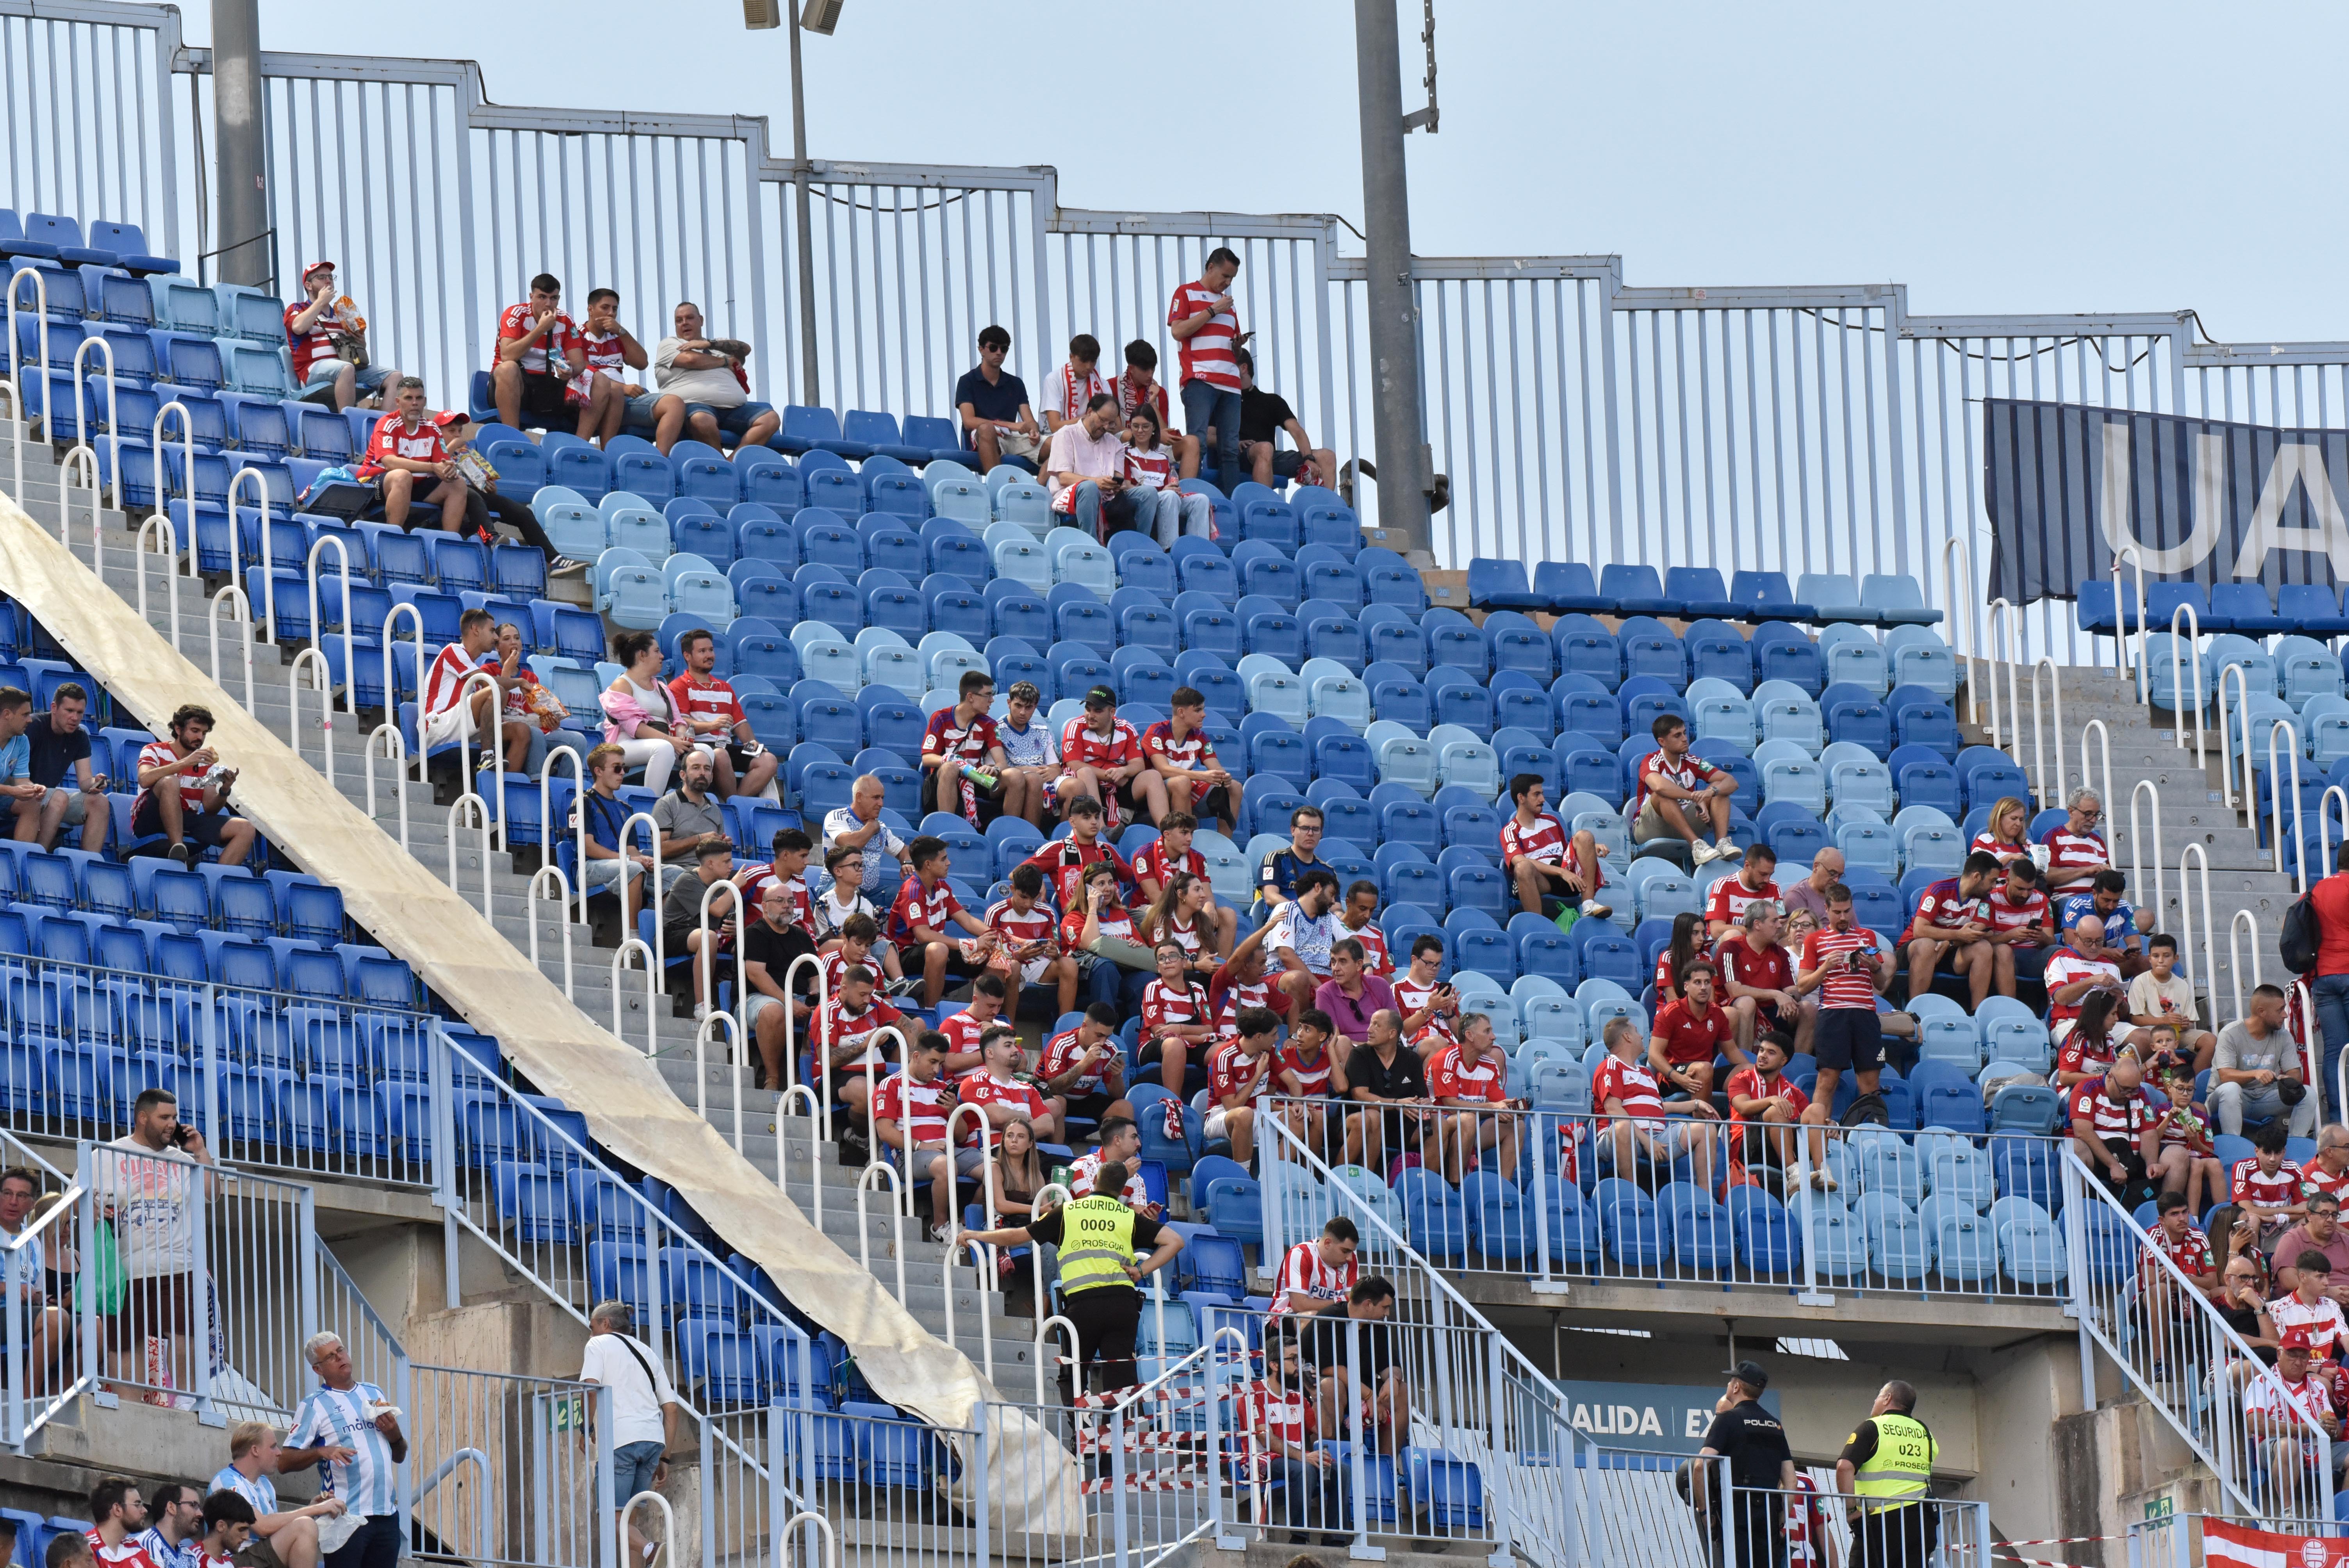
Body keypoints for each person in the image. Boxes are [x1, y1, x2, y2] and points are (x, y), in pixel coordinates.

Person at [959, 1159, 1183, 1404]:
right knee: (1122, 1380)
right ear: (1121, 1191)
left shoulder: (1069, 1212)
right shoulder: (1129, 1217)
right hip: (1122, 1305)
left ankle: (1080, 1433)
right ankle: (1117, 1438)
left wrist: (976, 1234)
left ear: (1095, 1181)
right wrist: (1141, 1270)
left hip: (1082, 1307)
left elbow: (1018, 1235)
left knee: (1072, 1375)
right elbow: (1175, 1241)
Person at [87, 1086, 214, 1399]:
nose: (172, 1124)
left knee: (185, 1336)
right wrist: (93, 1211)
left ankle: (188, 1403)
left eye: (174, 1117)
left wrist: (200, 1151)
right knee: (126, 1344)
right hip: (126, 1268)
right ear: (143, 1118)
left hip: (177, 1264)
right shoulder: (106, 1155)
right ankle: (130, 1410)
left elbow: (212, 1194)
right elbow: (76, 1202)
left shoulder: (185, 1159)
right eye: (164, 1117)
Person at [280, 1332, 407, 1568]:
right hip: (345, 1518)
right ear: (318, 1370)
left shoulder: (374, 1393)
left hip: (387, 1515)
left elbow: (400, 1455)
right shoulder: (313, 1405)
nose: (340, 1358)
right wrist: (322, 1452)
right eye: (330, 1357)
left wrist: (395, 1435)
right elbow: (284, 1462)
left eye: (341, 1350)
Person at [578, 1300, 681, 1561]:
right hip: (652, 1442)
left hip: (620, 1441)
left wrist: (586, 1427)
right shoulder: (648, 1352)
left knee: (612, 1520)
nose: (591, 1334)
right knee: (630, 1520)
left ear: (606, 1324)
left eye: (592, 1327)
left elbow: (590, 1389)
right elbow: (671, 1409)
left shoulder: (597, 1345)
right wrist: (665, 1457)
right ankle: (646, 1555)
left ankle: (651, 1549)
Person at [1241, 1332, 1348, 1542]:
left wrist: (1316, 1394)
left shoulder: (1299, 1398)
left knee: (1342, 1471)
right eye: (1294, 1360)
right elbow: (1267, 1441)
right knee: (1306, 1467)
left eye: (1302, 1360)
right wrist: (1304, 1457)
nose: (1301, 1366)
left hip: (1297, 1461)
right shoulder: (1254, 1395)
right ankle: (1300, 1538)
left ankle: (1335, 1540)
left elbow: (1326, 1432)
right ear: (1275, 1365)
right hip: (1263, 1461)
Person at [1795, 886, 1892, 1117]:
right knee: (1828, 1078)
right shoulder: (1814, 940)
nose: (1843, 917)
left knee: (1870, 1083)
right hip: (1833, 1014)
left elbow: (1881, 983)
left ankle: (1868, 1136)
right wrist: (1826, 967)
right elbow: (1802, 986)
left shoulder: (1866, 936)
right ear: (1826, 909)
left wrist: (1876, 967)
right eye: (1837, 912)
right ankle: (1819, 1135)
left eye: (1847, 911)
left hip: (1865, 1014)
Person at [1594, 1014, 1718, 1191]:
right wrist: (1646, 1141)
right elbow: (1614, 1110)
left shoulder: (1645, 1072)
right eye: (1636, 1032)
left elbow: (1658, 1107)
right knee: (1623, 1128)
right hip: (1622, 1137)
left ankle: (1705, 1197)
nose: (1642, 1036)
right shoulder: (1611, 1066)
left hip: (1656, 1137)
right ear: (1627, 1037)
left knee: (1706, 1129)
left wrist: (1696, 1104)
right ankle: (1632, 1195)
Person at [1695, 1360, 1798, 1568]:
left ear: (1736, 1387)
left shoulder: (1728, 1419)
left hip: (1737, 1515)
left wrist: (1706, 1514)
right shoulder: (1775, 1425)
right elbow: (1792, 1481)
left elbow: (1699, 1467)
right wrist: (1781, 1519)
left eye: (1730, 1381)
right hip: (1768, 1514)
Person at [872, 1033, 970, 1242]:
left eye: (941, 1064)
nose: (937, 1070)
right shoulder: (891, 1085)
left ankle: (963, 1223)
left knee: (995, 1168)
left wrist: (954, 1110)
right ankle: (939, 1227)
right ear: (916, 1056)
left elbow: (962, 1136)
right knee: (946, 1166)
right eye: (932, 1062)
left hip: (948, 1149)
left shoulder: (943, 1088)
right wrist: (922, 1146)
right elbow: (884, 1131)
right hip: (909, 1155)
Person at [1296, 1277, 1408, 1458]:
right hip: (1316, 1387)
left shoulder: (1377, 1325)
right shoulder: (1328, 1320)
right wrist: (1370, 1396)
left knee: (1402, 1391)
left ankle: (1387, 1466)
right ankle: (1324, 1461)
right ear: (1368, 1304)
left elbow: (1391, 1366)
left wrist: (1393, 1381)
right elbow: (1333, 1370)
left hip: (1359, 1388)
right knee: (1331, 1386)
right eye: (1385, 1307)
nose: (1387, 1313)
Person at [1834, 1380, 1938, 1568]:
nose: (1875, 1400)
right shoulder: (1925, 1432)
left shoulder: (1872, 1427)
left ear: (1888, 1398)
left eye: (1879, 1395)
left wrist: (1851, 1510)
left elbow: (1844, 1467)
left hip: (1882, 1522)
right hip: (1922, 1522)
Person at [1168, 248, 1248, 490]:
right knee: (1198, 442)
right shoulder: (1187, 292)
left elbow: (1235, 352)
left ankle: (1230, 505)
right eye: (1225, 275)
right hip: (1200, 380)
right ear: (1211, 267)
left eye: (1232, 278)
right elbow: (1178, 331)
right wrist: (1213, 311)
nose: (1228, 282)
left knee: (1230, 450)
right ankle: (1194, 495)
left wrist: (1237, 346)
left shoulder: (1229, 306)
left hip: (1231, 384)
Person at [888, 835, 997, 1009]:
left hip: (936, 951)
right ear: (928, 865)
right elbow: (923, 935)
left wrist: (994, 936)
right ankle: (931, 1011)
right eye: (944, 859)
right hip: (906, 955)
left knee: (995, 955)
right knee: (939, 949)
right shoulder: (912, 890)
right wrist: (970, 944)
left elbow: (967, 920)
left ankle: (982, 1013)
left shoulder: (942, 887)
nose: (949, 863)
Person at [652, 301, 779, 450]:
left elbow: (746, 349)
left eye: (690, 318)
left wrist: (709, 344)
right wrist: (726, 361)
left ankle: (732, 464)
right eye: (679, 321)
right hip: (694, 406)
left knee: (771, 419)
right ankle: (722, 467)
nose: (684, 323)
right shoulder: (670, 344)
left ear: (701, 320)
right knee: (701, 421)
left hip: (734, 409)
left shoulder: (718, 345)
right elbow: (691, 360)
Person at [668, 629, 778, 800]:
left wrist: (753, 745)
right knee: (720, 754)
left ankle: (736, 803)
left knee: (768, 759)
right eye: (702, 651)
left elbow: (741, 725)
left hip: (726, 747)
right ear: (687, 656)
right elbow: (682, 724)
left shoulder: (725, 688)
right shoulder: (679, 686)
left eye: (711, 650)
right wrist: (713, 726)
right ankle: (733, 805)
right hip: (698, 747)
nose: (709, 655)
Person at [211, 1422, 339, 1568]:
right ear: (255, 1450)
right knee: (305, 1526)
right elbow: (263, 1527)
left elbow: (275, 1530)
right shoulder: (227, 1481)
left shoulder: (265, 1484)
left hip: (258, 1556)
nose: (279, 1453)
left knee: (304, 1526)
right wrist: (316, 1510)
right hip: (230, 1560)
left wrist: (311, 1508)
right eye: (273, 1447)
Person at [2243, 1327, 2346, 1504]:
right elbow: (2255, 1425)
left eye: (2303, 1356)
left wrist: (2334, 1428)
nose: (2298, 1362)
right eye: (2292, 1355)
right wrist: (2302, 1431)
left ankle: (2342, 1509)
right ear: (2279, 1354)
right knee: (2288, 1446)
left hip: (2316, 1445)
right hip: (2273, 1445)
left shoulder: (2318, 1387)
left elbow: (2335, 1433)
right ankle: (2289, 1513)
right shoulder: (2261, 1382)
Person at [576, 287, 678, 449]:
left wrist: (622, 332)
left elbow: (642, 363)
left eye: (614, 309)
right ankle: (605, 453)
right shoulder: (578, 334)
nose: (611, 313)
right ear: (591, 309)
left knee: (675, 404)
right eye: (605, 308)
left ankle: (659, 461)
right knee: (615, 392)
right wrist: (622, 388)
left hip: (624, 398)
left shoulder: (617, 336)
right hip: (593, 397)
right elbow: (583, 371)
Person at [742, 877, 818, 1093]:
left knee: (827, 1012)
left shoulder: (801, 936)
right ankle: (773, 1078)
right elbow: (756, 975)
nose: (787, 906)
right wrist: (790, 1002)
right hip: (756, 998)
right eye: (780, 901)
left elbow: (815, 974)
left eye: (791, 901)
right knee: (775, 1011)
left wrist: (815, 993)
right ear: (765, 907)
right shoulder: (755, 933)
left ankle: (806, 1074)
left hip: (798, 998)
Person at [923, 671, 1029, 826]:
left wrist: (994, 769)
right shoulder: (940, 717)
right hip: (946, 777)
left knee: (1015, 776)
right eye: (988, 695)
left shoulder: (990, 724)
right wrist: (951, 760)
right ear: (971, 697)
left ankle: (1008, 830)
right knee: (950, 768)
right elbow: (927, 758)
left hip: (976, 777)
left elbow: (1002, 764)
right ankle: (946, 827)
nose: (992, 700)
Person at [2212, 984, 2319, 1137]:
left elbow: (2296, 1076)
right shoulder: (2230, 1034)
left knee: (2308, 1094)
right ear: (2261, 1012)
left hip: (2265, 1099)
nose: (2285, 1015)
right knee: (2231, 1090)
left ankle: (2296, 1144)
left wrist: (2285, 1080)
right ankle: (2233, 1145)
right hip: (2231, 1099)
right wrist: (2255, 1073)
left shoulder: (2284, 1037)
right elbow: (2225, 1076)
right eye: (2280, 1010)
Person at [1726, 1033, 1831, 1188]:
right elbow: (1743, 1107)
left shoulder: (1794, 1092)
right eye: (1761, 1050)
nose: (1762, 1056)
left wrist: (1828, 1126)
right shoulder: (1742, 1079)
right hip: (1749, 1150)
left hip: (1783, 1149)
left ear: (1784, 1061)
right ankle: (1793, 1174)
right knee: (1776, 1111)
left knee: (1817, 1109)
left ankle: (1823, 1173)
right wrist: (1771, 1100)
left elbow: (1808, 1122)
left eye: (1771, 1053)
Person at [1633, 716, 1741, 866]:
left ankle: (1722, 844)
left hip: (1682, 821)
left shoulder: (1693, 761)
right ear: (1662, 742)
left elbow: (1732, 782)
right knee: (1663, 794)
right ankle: (1697, 845)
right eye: (1678, 735)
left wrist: (1710, 793)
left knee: (1720, 789)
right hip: (1650, 827)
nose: (1685, 739)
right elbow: (1659, 787)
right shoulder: (1651, 761)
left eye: (1685, 733)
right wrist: (1695, 798)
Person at [1500, 774, 1610, 920]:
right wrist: (1561, 872)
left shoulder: (1552, 821)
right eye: (1537, 795)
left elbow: (1567, 852)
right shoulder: (1510, 830)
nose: (1543, 799)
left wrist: (1590, 846)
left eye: (1542, 794)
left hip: (1564, 876)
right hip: (1538, 879)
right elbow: (1519, 861)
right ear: (1521, 798)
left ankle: (1588, 905)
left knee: (1585, 836)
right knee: (1523, 867)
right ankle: (1537, 923)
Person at [1900, 852, 2001, 1010]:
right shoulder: (1939, 890)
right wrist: (1956, 936)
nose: (1994, 887)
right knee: (1927, 946)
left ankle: (1977, 1014)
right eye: (1992, 881)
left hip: (1951, 951)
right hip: (1914, 950)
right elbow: (1919, 931)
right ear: (1976, 877)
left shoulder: (1985, 900)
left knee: (1983, 948)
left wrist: (1950, 942)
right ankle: (1914, 1013)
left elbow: (1978, 932)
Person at [599, 629, 694, 798]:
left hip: (664, 740)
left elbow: (678, 722)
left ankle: (687, 807)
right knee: (664, 749)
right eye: (657, 651)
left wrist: (682, 740)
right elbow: (634, 728)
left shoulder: (663, 687)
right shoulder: (622, 684)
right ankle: (651, 806)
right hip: (626, 744)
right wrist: (671, 741)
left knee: (704, 754)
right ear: (642, 655)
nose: (662, 656)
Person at [285, 262, 391, 411]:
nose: (328, 281)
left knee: (394, 377)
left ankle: (386, 426)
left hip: (346, 368)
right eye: (321, 277)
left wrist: (361, 343)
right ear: (309, 286)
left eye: (330, 277)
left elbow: (356, 349)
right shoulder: (298, 308)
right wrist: (321, 301)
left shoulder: (341, 312)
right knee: (346, 369)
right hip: (312, 371)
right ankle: (348, 423)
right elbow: (298, 327)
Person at [1046, 392, 1151, 540]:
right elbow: (1064, 478)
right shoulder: (1066, 434)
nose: (1106, 427)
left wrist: (1115, 484)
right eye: (1103, 420)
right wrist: (1096, 482)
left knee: (1148, 493)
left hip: (1107, 497)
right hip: (1072, 497)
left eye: (1111, 423)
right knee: (1089, 487)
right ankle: (1091, 544)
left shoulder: (1115, 444)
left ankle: (1141, 544)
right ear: (1089, 412)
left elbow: (1119, 478)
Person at [415, 607, 514, 766]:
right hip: (437, 726)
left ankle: (509, 784)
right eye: (492, 631)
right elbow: (489, 684)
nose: (496, 637)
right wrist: (520, 682)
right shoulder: (453, 651)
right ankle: (487, 756)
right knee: (496, 692)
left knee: (520, 731)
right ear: (476, 630)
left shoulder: (471, 665)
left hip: (459, 726)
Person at [1227, 347, 1336, 490]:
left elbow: (1297, 431)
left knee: (1327, 457)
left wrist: (1309, 459)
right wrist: (1234, 442)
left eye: (1228, 366)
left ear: (1243, 369)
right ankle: (1263, 508)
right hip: (1235, 457)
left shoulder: (1271, 401)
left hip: (1270, 457)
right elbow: (1209, 436)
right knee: (1265, 448)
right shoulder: (1224, 401)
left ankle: (1325, 511)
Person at [1338, 1008, 1431, 1175]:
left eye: (1376, 1025)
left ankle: (1425, 1183)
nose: (1369, 1030)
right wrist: (1396, 1104)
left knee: (1440, 1125)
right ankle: (1348, 1177)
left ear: (1392, 1034)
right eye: (1370, 1024)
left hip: (1399, 1125)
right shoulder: (1359, 1055)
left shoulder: (1412, 1059)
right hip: (1361, 1121)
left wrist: (1424, 1103)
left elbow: (1420, 1096)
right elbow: (1360, 1096)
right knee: (1373, 1117)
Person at [1431, 1013, 1521, 1184]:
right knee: (1468, 1119)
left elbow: (1498, 1104)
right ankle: (1456, 1185)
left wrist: (1508, 1110)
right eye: (1487, 1032)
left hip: (1471, 1125)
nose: (1493, 1037)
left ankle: (1505, 1188)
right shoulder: (1446, 1059)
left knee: (1516, 1125)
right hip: (1438, 1125)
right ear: (1470, 1036)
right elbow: (1450, 1104)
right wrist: (1492, 1108)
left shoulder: (1490, 1065)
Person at [17, 683, 107, 850]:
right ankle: (38, 854)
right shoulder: (34, 726)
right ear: (54, 708)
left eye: (80, 713)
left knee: (100, 802)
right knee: (59, 797)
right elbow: (15, 775)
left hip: (50, 797)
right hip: (23, 793)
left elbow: (85, 782)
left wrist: (96, 782)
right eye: (70, 711)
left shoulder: (80, 737)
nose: (75, 718)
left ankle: (88, 865)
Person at [572, 743, 654, 926]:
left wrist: (643, 859)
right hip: (589, 867)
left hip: (621, 862)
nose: (623, 773)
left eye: (625, 768)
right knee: (634, 869)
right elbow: (588, 847)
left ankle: (658, 935)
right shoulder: (582, 803)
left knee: (674, 875)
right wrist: (629, 860)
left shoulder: (626, 808)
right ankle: (633, 936)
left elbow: (632, 850)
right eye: (617, 768)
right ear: (599, 771)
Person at [1142, 690, 1241, 839]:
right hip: (1158, 793)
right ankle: (1184, 843)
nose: (1204, 715)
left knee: (1234, 787)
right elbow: (1163, 770)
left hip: (1186, 786)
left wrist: (1224, 777)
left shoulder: (1200, 736)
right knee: (1182, 782)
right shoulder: (1157, 732)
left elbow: (1216, 768)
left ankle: (1226, 843)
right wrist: (1201, 776)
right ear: (1181, 712)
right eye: (1198, 710)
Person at [491, 273, 585, 432]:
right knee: (508, 369)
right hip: (516, 384)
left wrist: (569, 371)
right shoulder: (515, 314)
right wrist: (541, 328)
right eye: (542, 297)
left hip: (547, 386)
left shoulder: (566, 319)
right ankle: (513, 437)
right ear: (532, 297)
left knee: (598, 382)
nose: (548, 304)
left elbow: (579, 363)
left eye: (554, 298)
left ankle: (581, 446)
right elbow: (508, 356)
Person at [2067, 1050, 2160, 1206]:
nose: (2130, 1095)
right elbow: (2083, 1132)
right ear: (2110, 1078)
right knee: (2075, 1148)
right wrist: (2113, 1165)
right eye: (2125, 1090)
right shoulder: (2086, 1089)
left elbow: (2149, 1133)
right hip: (2097, 1160)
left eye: (2134, 1090)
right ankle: (2077, 1210)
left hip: (2132, 1160)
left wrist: (2152, 1163)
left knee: (2176, 1155)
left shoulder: (2141, 1094)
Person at [985, 862, 1076, 1019]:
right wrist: (1016, 956)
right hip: (1007, 966)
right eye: (1024, 897)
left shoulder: (1048, 913)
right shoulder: (996, 912)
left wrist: (1055, 952)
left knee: (1070, 965)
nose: (1028, 904)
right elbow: (988, 954)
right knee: (1013, 967)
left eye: (1033, 899)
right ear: (1013, 890)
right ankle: (1008, 1027)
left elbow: (1055, 948)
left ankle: (1064, 1028)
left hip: (1038, 967)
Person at [662, 839, 739, 1020]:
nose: (732, 866)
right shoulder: (688, 880)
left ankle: (738, 1003)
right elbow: (718, 910)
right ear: (710, 864)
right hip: (675, 934)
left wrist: (735, 930)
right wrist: (735, 885)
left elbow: (727, 917)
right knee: (709, 937)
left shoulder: (721, 884)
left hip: (710, 934)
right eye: (726, 861)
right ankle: (702, 1006)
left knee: (748, 943)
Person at [0, 1166, 61, 1386]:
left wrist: (37, 1297)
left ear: (32, 1204)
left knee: (95, 1327)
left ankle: (56, 1397)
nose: (13, 1201)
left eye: (22, 1196)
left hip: (23, 1316)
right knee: (56, 1319)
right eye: (7, 1193)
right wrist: (9, 1288)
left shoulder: (32, 1241)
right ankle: (29, 1401)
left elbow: (39, 1289)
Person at [1721, 903, 1805, 1059]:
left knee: (1808, 1009)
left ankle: (1796, 1066)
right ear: (1758, 925)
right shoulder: (1731, 949)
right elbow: (1735, 991)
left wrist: (1790, 999)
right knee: (1747, 1002)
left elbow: (1793, 990)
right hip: (1738, 1009)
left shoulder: (1781, 954)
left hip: (1773, 1010)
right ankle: (1745, 1065)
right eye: (1774, 921)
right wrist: (1776, 994)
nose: (1780, 926)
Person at [1649, 959, 1739, 1103]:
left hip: (1705, 1073)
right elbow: (1653, 1055)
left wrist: (1754, 1073)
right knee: (1704, 1069)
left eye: (1708, 982)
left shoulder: (1717, 1014)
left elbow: (1732, 1052)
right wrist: (1676, 1077)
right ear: (1686, 986)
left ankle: (1745, 1123)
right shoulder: (1670, 1013)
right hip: (1672, 1076)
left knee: (1748, 1071)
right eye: (1698, 982)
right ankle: (1704, 1125)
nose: (1704, 987)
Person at [1121, 405, 1212, 547]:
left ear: (1154, 429)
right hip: (1139, 500)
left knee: (1201, 500)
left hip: (1164, 500)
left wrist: (1172, 489)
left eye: (1145, 426)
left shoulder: (1162, 457)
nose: (1140, 431)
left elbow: (1166, 487)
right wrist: (1163, 492)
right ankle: (1169, 549)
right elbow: (1126, 487)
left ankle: (1198, 551)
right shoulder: (1125, 452)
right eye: (1136, 426)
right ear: (1130, 427)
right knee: (1169, 497)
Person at [1041, 1004, 1137, 1135]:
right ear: (1084, 1027)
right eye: (1099, 1035)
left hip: (1083, 1098)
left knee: (1124, 1107)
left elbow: (1117, 1095)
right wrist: (1085, 1063)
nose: (1103, 1042)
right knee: (1059, 1102)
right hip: (1049, 1095)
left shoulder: (1110, 1050)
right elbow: (1055, 1088)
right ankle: (1059, 1152)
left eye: (1108, 1037)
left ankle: (1114, 1154)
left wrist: (1116, 1076)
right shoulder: (1060, 1044)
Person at [2043, 914, 2133, 1055]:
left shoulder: (2111, 966)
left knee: (2144, 1038)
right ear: (2076, 936)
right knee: (2093, 1040)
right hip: (2071, 1024)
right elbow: (2060, 998)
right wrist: (2091, 981)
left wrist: (2120, 1003)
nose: (2094, 947)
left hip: (2107, 1024)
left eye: (2099, 942)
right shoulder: (2060, 960)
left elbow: (2125, 1014)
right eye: (2088, 942)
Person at [954, 325, 1040, 471]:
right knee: (987, 429)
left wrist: (1034, 432)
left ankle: (1039, 489)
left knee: (1058, 444)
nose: (999, 353)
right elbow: (969, 422)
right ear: (981, 350)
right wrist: (1010, 425)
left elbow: (1030, 421)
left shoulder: (1016, 383)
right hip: (983, 438)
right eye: (993, 348)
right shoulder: (967, 381)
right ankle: (998, 486)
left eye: (1004, 349)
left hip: (1011, 439)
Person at [1138, 939, 1216, 1095]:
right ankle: (1174, 1106)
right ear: (1158, 968)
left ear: (1184, 961)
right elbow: (1159, 1031)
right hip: (1154, 1044)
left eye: (1173, 956)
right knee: (1175, 1044)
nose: (1167, 962)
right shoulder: (1154, 988)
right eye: (1162, 959)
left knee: (1225, 1051)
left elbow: (1209, 1028)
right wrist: (1199, 1037)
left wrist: (1179, 1029)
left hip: (1190, 1044)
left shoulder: (1198, 989)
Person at [2130, 933, 2215, 1072]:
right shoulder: (2140, 982)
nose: (2161, 960)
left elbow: (2192, 1022)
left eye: (2167, 956)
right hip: (2152, 1032)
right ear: (2149, 958)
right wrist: (2163, 1020)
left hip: (2176, 1033)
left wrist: (2186, 1024)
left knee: (2210, 1040)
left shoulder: (2182, 984)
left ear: (2176, 959)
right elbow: (2135, 1019)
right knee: (2145, 1037)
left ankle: (2191, 1082)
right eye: (2156, 956)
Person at [2307, 841, 2349, 1122]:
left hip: (2323, 977)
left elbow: (2293, 925)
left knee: (2334, 1050)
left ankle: (2338, 1118)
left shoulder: (2316, 889)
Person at [1208, 1007, 1282, 1164]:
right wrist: (1258, 1075)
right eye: (1274, 1034)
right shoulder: (1225, 1056)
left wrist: (1293, 1107)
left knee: (1297, 1118)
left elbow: (1292, 1082)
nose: (1277, 1038)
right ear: (1259, 1037)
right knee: (1244, 1115)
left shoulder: (1269, 1050)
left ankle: (1277, 1173)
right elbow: (1232, 1106)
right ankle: (1243, 1178)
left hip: (1257, 1112)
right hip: (1221, 1116)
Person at [1114, 338, 1196, 476]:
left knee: (1192, 442)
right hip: (1125, 445)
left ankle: (1186, 492)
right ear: (1131, 369)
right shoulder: (1112, 386)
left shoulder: (1160, 393)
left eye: (1153, 369)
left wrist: (1153, 403)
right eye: (1145, 370)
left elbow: (1164, 432)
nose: (1150, 375)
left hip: (1155, 447)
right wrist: (1155, 437)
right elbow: (1116, 431)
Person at [1268, 870, 1344, 1016]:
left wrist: (1368, 967)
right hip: (1282, 973)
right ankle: (1301, 1031)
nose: (1333, 901)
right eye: (1331, 894)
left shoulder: (1329, 917)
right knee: (1299, 979)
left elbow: (1353, 940)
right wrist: (1320, 988)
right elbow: (1286, 956)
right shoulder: (1287, 910)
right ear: (1317, 888)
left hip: (1322, 977)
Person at [823, 773, 914, 895]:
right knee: (850, 891)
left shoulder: (881, 827)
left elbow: (903, 850)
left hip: (871, 892)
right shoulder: (837, 817)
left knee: (910, 894)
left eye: (882, 798)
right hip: (835, 887)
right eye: (876, 798)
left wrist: (907, 863)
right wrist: (871, 827)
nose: (881, 803)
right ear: (859, 797)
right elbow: (850, 845)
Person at [1979, 855, 2055, 997]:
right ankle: (2011, 1010)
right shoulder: (1991, 899)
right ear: (2007, 881)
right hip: (2003, 956)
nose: (2025, 895)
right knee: (2003, 951)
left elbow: (2051, 941)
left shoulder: (2042, 899)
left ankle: (2057, 1014)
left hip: (2033, 956)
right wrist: (2010, 936)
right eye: (2020, 889)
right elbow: (1984, 941)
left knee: (2059, 952)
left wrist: (2042, 937)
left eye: (2030, 889)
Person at [2059, 868, 2148, 979]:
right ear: (2095, 893)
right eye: (2106, 900)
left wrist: (2133, 951)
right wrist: (2106, 953)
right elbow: (2072, 944)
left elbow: (2135, 943)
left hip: (2107, 965)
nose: (2111, 906)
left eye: (2116, 901)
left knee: (2143, 962)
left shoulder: (2125, 908)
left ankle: (2135, 996)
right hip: (2077, 963)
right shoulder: (2076, 906)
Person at [1315, 937, 1396, 1059]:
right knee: (1342, 1042)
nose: (1336, 968)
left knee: (1432, 1043)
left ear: (1359, 965)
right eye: (1333, 962)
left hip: (1384, 1049)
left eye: (1343, 962)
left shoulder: (1380, 985)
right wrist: (1369, 1047)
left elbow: (1395, 1025)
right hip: (1352, 1053)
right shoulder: (1325, 993)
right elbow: (1333, 1039)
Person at [1269, 1217, 1360, 1322]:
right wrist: (1339, 1301)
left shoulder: (1351, 1261)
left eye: (1352, 1252)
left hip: (1326, 1322)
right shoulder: (1301, 1254)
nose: (1350, 1258)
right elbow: (1299, 1306)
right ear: (1328, 1243)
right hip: (1281, 1319)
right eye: (1345, 1251)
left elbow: (1352, 1305)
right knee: (1310, 1318)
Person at [2236, 1123, 2311, 1246]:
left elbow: (2305, 1209)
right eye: (2267, 1153)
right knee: (2253, 1220)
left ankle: (2298, 1265)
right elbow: (2248, 1210)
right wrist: (2290, 1209)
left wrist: (2277, 1218)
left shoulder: (2294, 1169)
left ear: (2284, 1152)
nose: (2272, 1159)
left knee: (2307, 1221)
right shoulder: (2243, 1168)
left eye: (2277, 1153)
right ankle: (2255, 1263)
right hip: (2256, 1227)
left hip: (2283, 1227)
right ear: (2257, 1151)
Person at [994, 681, 1058, 825]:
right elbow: (995, 769)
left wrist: (1054, 772)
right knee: (1032, 779)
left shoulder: (1042, 731)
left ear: (1035, 707)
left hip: (1041, 777)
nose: (1023, 712)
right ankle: (1022, 832)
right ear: (1009, 703)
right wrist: (1033, 771)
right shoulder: (996, 729)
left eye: (1029, 707)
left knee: (1076, 786)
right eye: (1018, 706)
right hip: (1004, 780)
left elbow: (1055, 768)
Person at [1038, 333, 1115, 438]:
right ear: (1071, 357)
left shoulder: (1102, 384)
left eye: (1093, 361)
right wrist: (1088, 421)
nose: (1089, 366)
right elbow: (1055, 427)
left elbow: (1113, 425)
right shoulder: (1054, 380)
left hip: (1094, 436)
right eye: (1084, 361)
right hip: (1058, 438)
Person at [2275, 1192, 2349, 1299]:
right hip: (2309, 1306)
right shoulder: (2292, 1240)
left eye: (2334, 1215)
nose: (2330, 1219)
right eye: (2324, 1214)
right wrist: (2328, 1293)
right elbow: (2288, 1281)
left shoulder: (2345, 1241)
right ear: (2309, 1215)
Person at [1259, 805, 1330, 913]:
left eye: (1316, 829)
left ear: (1321, 833)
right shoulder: (1276, 859)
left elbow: (1336, 908)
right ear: (1293, 830)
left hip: (1317, 926)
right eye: (1305, 828)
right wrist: (1301, 911)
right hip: (1282, 922)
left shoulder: (1328, 870)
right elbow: (1270, 897)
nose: (1310, 834)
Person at [1705, 842, 1780, 942]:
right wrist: (1759, 930)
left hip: (1762, 945)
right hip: (1727, 946)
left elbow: (1781, 924)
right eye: (1763, 874)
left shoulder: (1775, 887)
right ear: (1747, 866)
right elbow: (1716, 931)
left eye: (1771, 875)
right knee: (1732, 935)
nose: (1767, 880)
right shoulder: (1724, 885)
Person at [2040, 787, 2109, 890]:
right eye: (2088, 814)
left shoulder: (2098, 841)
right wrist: (2087, 871)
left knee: (2140, 908)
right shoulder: (2054, 837)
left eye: (2097, 815)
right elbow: (2046, 875)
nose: (2094, 820)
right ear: (2071, 812)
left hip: (2100, 901)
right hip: (2067, 899)